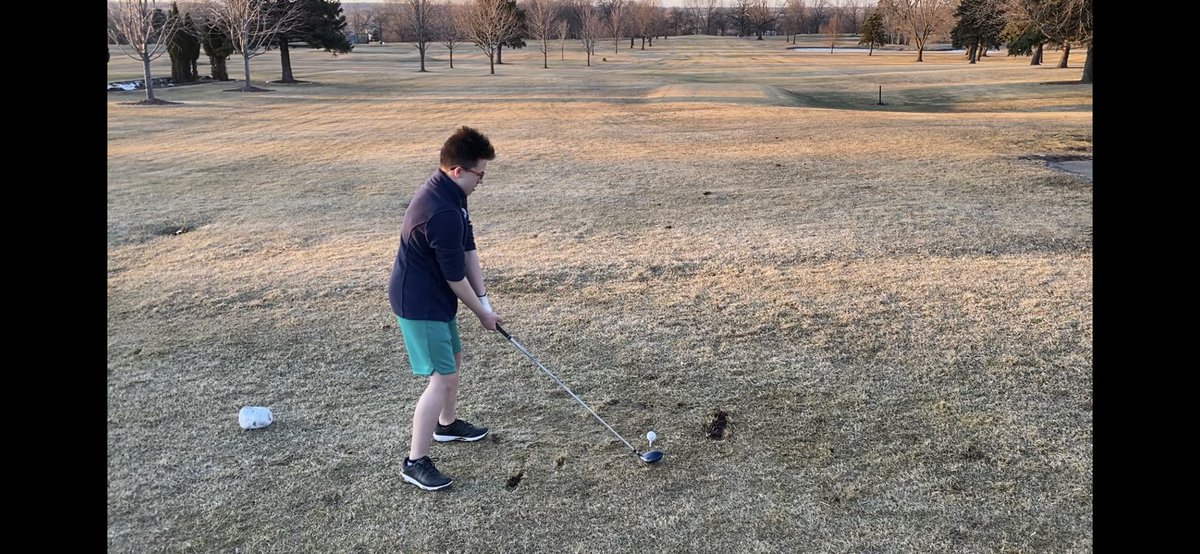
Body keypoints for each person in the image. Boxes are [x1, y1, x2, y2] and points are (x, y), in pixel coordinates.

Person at [388, 126, 503, 491]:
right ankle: (414, 461)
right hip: (419, 303)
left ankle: (447, 426)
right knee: (441, 378)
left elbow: (468, 249)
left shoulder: (452, 195)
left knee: (452, 362)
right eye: (479, 174)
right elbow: (456, 278)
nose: (481, 181)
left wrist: (484, 300)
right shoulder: (440, 211)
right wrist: (482, 315)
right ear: (458, 170)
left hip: (436, 296)